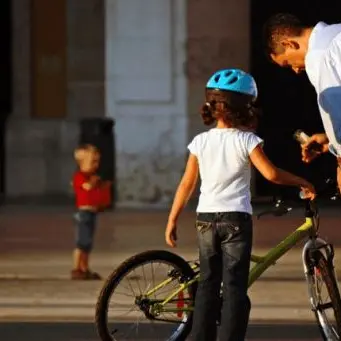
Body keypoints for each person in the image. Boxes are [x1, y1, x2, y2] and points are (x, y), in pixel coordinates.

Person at [165, 68, 316, 341]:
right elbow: (271, 174)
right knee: (234, 287)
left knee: (208, 284)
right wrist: (301, 181)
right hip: (235, 220)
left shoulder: (200, 142)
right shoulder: (247, 140)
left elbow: (187, 185)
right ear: (245, 108)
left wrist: (172, 219)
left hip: (205, 219)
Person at [263, 13, 341, 191]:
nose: (296, 70)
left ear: (289, 44)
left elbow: (339, 113)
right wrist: (329, 140)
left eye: (287, 63)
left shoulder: (319, 56)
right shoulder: (336, 33)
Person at [71, 144, 111, 280]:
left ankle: (85, 268)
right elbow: (86, 187)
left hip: (92, 212)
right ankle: (76, 267)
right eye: (92, 162)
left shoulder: (93, 176)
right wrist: (93, 183)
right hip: (83, 213)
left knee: (87, 243)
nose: (96, 165)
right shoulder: (80, 176)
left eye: (97, 161)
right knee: (81, 242)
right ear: (82, 162)